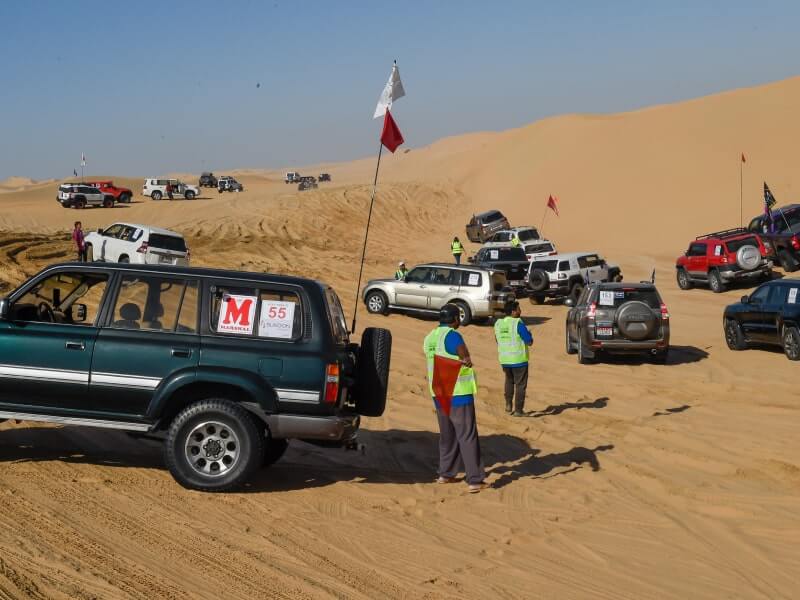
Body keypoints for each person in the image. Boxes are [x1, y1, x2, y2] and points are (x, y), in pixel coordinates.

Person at [423, 303, 488, 493]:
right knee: (467, 435)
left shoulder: (429, 337)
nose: (459, 320)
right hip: (458, 393)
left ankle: (446, 474)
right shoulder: (453, 335)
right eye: (458, 317)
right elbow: (464, 355)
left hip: (439, 393)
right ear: (453, 319)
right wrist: (466, 359)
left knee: (447, 435)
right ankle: (475, 480)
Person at [494, 300, 533, 416]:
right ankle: (518, 410)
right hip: (519, 360)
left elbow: (497, 340)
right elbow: (529, 341)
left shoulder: (498, 324)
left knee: (509, 381)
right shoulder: (518, 324)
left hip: (505, 360)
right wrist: (530, 335)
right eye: (518, 309)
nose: (520, 311)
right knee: (520, 385)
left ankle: (508, 404)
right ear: (513, 312)